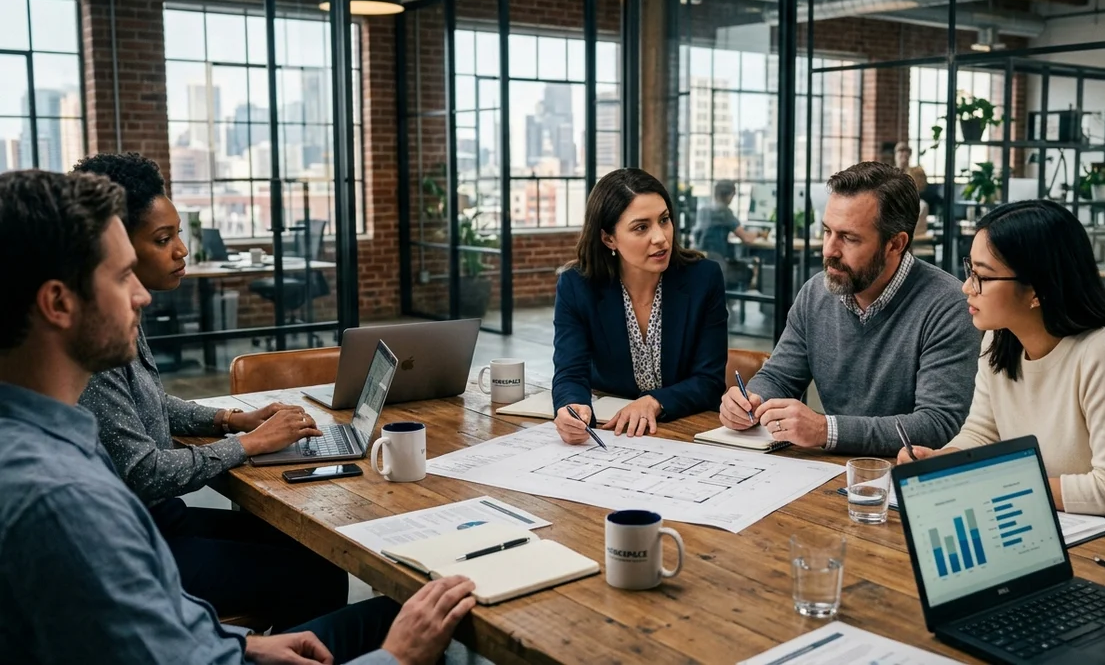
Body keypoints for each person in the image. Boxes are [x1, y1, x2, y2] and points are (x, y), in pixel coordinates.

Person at [0, 169, 475, 664]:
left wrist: (243, 643)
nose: (140, 296)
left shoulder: (48, 448)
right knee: (403, 618)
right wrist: (396, 658)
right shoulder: (64, 500)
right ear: (58, 302)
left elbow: (159, 625)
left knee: (326, 569)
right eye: (122, 278)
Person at [72, 152, 346, 629]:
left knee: (307, 544)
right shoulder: (97, 336)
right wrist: (249, 444)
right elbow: (144, 473)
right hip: (138, 539)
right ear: (114, 243)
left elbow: (149, 404)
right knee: (313, 572)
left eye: (177, 233)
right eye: (164, 239)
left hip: (159, 520)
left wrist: (227, 420)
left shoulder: (123, 312)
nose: (181, 249)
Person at [895, 200, 1105, 523]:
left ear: (1036, 290)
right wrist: (942, 462)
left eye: (983, 277)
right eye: (969, 270)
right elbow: (982, 434)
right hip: (1051, 521)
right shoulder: (1000, 339)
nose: (966, 287)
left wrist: (993, 482)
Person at [720, 162, 981, 455]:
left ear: (895, 244)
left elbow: (937, 425)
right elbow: (779, 377)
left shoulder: (949, 306)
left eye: (849, 238)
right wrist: (748, 401)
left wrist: (825, 430)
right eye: (828, 231)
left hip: (903, 481)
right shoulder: (816, 293)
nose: (829, 250)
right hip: (824, 471)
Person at [553, 168, 728, 444]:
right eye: (641, 227)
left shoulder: (703, 279)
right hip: (613, 433)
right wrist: (571, 407)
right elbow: (570, 371)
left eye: (664, 220)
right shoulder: (577, 286)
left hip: (687, 431)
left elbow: (709, 381)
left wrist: (655, 402)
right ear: (608, 238)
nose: (660, 237)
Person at [691, 180, 764, 259]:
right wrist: (760, 234)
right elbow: (746, 238)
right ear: (730, 195)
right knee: (753, 263)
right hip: (716, 259)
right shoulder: (724, 211)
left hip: (700, 257)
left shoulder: (704, 209)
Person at [895, 141, 931, 239]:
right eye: (900, 152)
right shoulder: (890, 174)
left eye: (905, 153)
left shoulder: (915, 173)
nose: (903, 156)